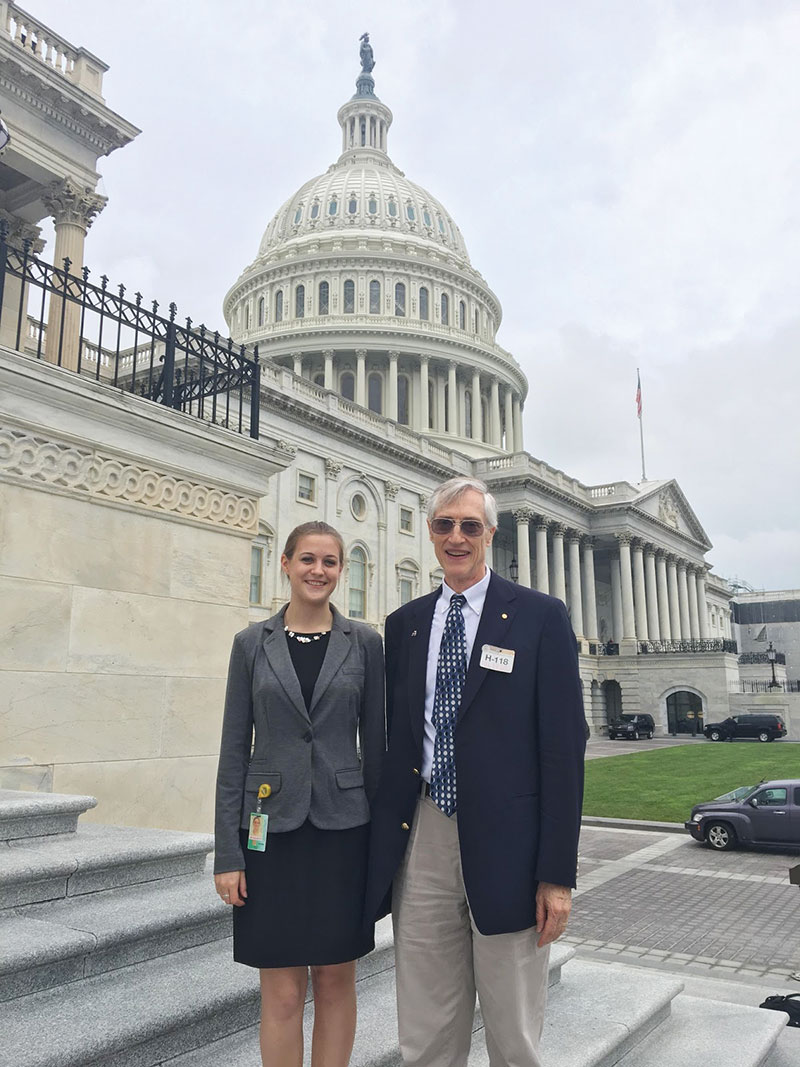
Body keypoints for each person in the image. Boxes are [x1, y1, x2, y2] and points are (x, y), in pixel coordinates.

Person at [365, 477, 585, 1067]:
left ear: (490, 533)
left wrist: (557, 874)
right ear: (431, 533)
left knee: (513, 1027)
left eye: (469, 525)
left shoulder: (539, 617)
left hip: (511, 844)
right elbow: (397, 739)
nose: (456, 537)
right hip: (426, 831)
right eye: (444, 525)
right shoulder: (406, 624)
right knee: (427, 1019)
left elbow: (564, 749)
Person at [214, 520, 385, 1067]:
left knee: (336, 979)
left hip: (344, 833)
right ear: (284, 564)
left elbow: (376, 751)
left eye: (330, 562)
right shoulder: (250, 644)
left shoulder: (365, 644)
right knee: (282, 990)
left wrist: (383, 852)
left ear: (343, 571)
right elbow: (233, 750)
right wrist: (227, 851)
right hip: (270, 834)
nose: (319, 571)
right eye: (307, 559)